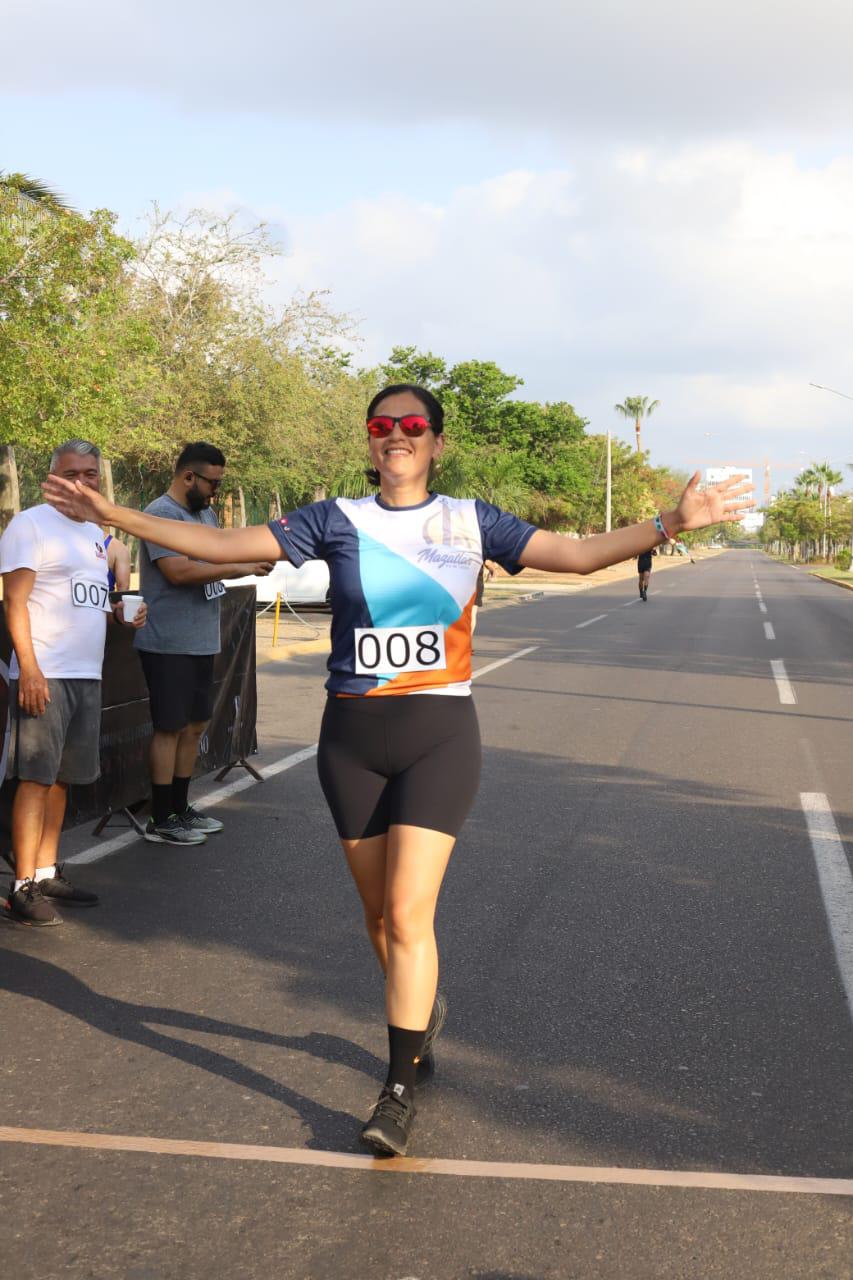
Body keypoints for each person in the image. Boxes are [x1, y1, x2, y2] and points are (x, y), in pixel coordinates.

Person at [43, 386, 752, 1151]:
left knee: (411, 916)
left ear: (436, 443)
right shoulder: (333, 520)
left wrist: (671, 523)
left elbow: (578, 559)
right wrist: (110, 515)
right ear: (370, 440)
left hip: (438, 734)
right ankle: (421, 1012)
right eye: (383, 426)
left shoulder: (470, 520)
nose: (397, 436)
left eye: (413, 426)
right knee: (379, 918)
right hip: (351, 739)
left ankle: (396, 1091)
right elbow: (220, 547)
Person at [1, 440, 148, 927]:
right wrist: (30, 668)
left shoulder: (93, 532)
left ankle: (45, 872)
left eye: (91, 474)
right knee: (35, 777)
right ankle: (22, 886)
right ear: (52, 478)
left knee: (63, 779)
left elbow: (88, 600)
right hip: (47, 672)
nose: (83, 481)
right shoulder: (30, 525)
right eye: (72, 473)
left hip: (88, 671)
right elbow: (15, 602)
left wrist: (125, 614)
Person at [134, 442, 274, 847]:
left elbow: (219, 555)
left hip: (200, 639)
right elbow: (179, 571)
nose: (216, 491)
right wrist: (242, 566)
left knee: (194, 725)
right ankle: (161, 817)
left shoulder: (205, 514)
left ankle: (180, 807)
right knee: (169, 727)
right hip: (167, 641)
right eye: (211, 482)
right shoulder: (161, 514)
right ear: (187, 477)